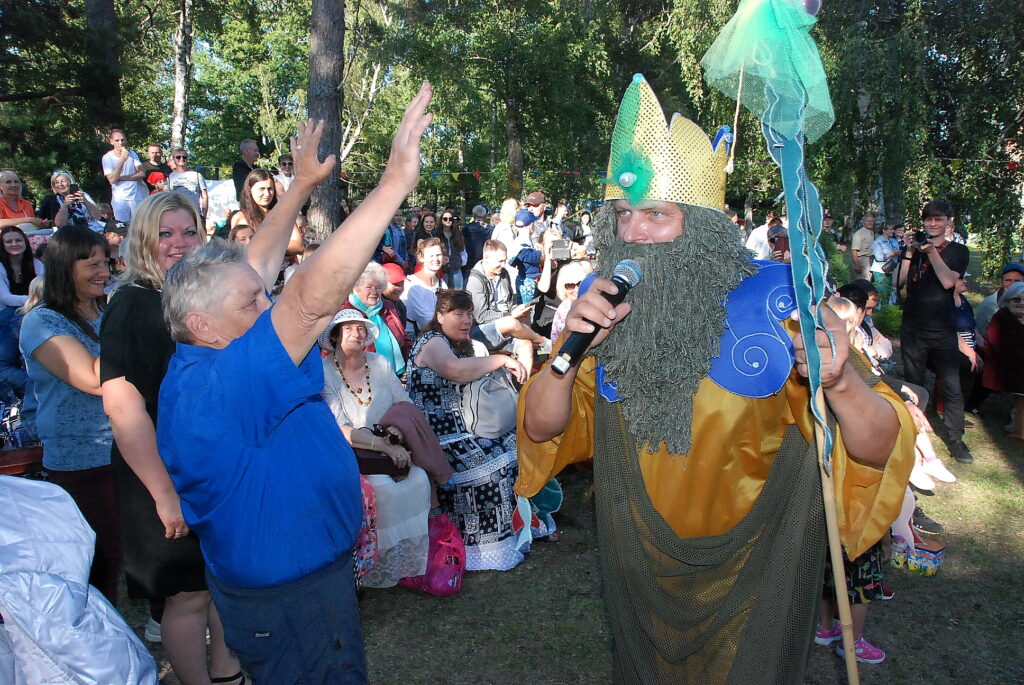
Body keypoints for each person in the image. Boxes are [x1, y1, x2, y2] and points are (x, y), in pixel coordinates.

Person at [517, 75, 914, 683]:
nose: (633, 234)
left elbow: (877, 447)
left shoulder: (782, 300)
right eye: (622, 214)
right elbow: (544, 428)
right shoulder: (605, 306)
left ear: (702, 224)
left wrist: (840, 384)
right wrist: (567, 357)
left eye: (656, 214)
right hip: (640, 562)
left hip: (756, 570)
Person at [156, 86, 433, 683]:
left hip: (299, 583)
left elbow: (253, 268)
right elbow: (307, 301)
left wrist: (301, 185)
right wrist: (393, 184)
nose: (267, 305)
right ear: (203, 325)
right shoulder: (221, 385)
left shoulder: (211, 346)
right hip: (292, 600)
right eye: (252, 304)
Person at [101, 178, 307, 682]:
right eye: (164, 234)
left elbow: (260, 259)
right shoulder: (131, 305)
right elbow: (124, 408)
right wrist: (164, 494)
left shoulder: (199, 292)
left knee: (220, 580)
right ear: (142, 240)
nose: (178, 243)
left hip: (210, 466)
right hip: (158, 473)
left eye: (188, 232)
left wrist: (301, 186)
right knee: (188, 595)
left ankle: (227, 672)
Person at [19, 226, 119, 602]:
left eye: (106, 263)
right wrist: (135, 334)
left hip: (132, 447)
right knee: (98, 563)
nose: (103, 272)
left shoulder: (109, 310)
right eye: (92, 264)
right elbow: (93, 379)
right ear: (63, 266)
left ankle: (158, 622)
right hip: (82, 459)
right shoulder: (42, 321)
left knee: (145, 550)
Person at [320, 309, 447, 588]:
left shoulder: (379, 363)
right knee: (382, 488)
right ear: (335, 335)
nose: (357, 333)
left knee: (418, 479)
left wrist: (395, 436)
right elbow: (340, 429)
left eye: (361, 328)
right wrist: (384, 446)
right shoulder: (325, 372)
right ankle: (376, 567)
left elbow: (403, 404)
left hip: (389, 442)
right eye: (348, 328)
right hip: (351, 453)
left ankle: (410, 565)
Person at [407, 290, 527, 570]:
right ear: (440, 317)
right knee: (491, 463)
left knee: (514, 447)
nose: (466, 320)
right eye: (458, 314)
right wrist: (501, 360)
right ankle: (478, 547)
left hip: (464, 426)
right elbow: (455, 370)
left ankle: (518, 532)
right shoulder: (433, 341)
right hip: (437, 435)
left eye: (469, 314)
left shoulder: (458, 343)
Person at [894, 199, 972, 463]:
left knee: (951, 385)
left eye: (938, 219)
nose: (932, 224)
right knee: (913, 384)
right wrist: (908, 252)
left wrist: (931, 252)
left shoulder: (958, 251)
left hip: (942, 328)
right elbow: (899, 282)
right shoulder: (916, 249)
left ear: (949, 221)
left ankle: (956, 439)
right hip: (913, 327)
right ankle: (914, 436)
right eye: (928, 219)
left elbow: (949, 281)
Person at [340, 261, 411, 376]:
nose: (374, 292)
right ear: (356, 287)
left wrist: (409, 365)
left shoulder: (388, 306)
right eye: (369, 287)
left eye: (378, 287)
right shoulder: (345, 312)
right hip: (361, 377)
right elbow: (331, 350)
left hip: (396, 375)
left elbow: (404, 338)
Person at [981, 282, 1024, 440]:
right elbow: (1005, 350)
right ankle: (1018, 429)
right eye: (1016, 299)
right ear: (1007, 300)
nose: (1022, 303)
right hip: (1003, 367)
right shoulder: (1002, 319)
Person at [401, 237, 447, 335]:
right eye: (431, 256)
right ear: (421, 258)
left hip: (437, 332)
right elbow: (425, 319)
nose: (436, 259)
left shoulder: (442, 284)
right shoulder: (412, 284)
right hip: (414, 335)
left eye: (438, 255)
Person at [101, 129, 148, 223]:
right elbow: (112, 179)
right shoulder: (107, 157)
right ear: (111, 141)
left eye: (122, 140)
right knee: (123, 225)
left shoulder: (132, 154)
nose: (120, 143)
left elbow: (142, 173)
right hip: (120, 199)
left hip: (135, 197)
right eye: (117, 140)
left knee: (139, 224)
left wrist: (124, 178)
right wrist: (122, 160)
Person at [0, 226, 45, 314]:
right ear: (2, 245)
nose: (14, 244)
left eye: (18, 240)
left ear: (25, 242)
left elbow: (44, 290)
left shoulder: (37, 264)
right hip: (5, 312)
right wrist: (35, 300)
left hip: (35, 308)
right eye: (9, 242)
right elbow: (4, 298)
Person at [38, 169, 103, 228]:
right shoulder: (54, 200)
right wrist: (65, 205)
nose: (60, 184)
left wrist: (86, 202)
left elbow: (98, 216)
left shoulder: (84, 195)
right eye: (56, 182)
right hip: (72, 233)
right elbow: (59, 224)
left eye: (63, 181)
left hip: (94, 229)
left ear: (70, 182)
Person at [975, 263, 1024, 339]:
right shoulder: (990, 305)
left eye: (1017, 281)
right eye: (1008, 280)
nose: (1013, 284)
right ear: (1001, 282)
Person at [167, 149, 209, 223]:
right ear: (173, 159)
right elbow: (168, 197)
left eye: (184, 157)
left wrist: (203, 215)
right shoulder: (170, 177)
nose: (182, 159)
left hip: (195, 215)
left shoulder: (197, 175)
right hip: (177, 215)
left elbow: (204, 196)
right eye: (178, 157)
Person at [870, 223, 900, 304]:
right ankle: (878, 309)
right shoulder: (878, 242)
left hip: (889, 270)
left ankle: (886, 309)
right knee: (881, 293)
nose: (892, 231)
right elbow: (879, 257)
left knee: (888, 292)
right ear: (884, 230)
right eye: (890, 229)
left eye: (893, 229)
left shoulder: (891, 241)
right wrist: (893, 253)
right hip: (880, 271)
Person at [461, 204, 492, 280]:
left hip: (468, 263)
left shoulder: (465, 229)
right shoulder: (490, 229)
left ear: (473, 215)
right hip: (483, 263)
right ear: (485, 216)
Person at [851, 214, 876, 281]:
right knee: (862, 281)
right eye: (867, 221)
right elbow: (854, 250)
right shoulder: (859, 233)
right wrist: (857, 264)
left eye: (871, 221)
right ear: (863, 222)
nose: (870, 223)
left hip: (870, 259)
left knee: (869, 280)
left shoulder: (871, 232)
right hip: (862, 260)